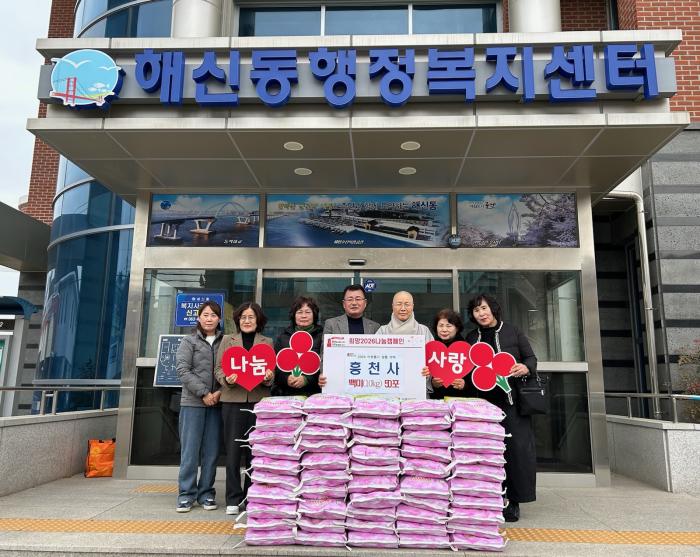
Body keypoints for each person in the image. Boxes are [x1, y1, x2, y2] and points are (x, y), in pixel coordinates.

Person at [464, 293, 537, 523]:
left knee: (514, 452)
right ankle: (489, 498)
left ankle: (513, 501)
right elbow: (466, 371)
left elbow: (531, 358)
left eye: (484, 308)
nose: (481, 313)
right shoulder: (471, 337)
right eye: (476, 310)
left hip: (511, 403)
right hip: (482, 406)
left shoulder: (512, 331)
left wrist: (526, 368)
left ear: (493, 309)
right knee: (486, 453)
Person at [214, 302, 274, 516]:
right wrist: (226, 380)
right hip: (232, 401)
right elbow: (218, 368)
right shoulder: (227, 341)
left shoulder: (267, 342)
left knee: (255, 451)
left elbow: (271, 371)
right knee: (232, 451)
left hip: (258, 402)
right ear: (238, 320)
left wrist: (268, 378)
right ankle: (232, 497)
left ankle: (251, 496)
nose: (247, 321)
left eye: (251, 317)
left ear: (258, 320)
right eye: (243, 317)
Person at [175, 301, 223, 513]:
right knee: (190, 451)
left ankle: (206, 493)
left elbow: (229, 368)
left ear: (219, 319)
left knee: (211, 452)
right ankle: (186, 494)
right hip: (193, 402)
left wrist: (219, 393)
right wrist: (204, 393)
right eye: (205, 314)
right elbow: (183, 370)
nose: (209, 318)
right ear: (198, 318)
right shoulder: (189, 340)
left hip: (217, 403)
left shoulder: (226, 341)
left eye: (213, 315)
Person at [376, 291, 434, 393]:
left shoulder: (423, 331)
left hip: (417, 389)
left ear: (413, 306)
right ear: (392, 306)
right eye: (399, 304)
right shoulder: (382, 331)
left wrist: (429, 371)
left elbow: (433, 360)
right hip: (388, 389)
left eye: (407, 304)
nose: (403, 308)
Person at [273, 296, 324, 396]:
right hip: (286, 394)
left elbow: (326, 366)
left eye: (308, 312)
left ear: (314, 315)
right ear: (294, 315)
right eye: (300, 312)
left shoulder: (322, 337)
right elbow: (275, 366)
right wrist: (286, 378)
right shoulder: (283, 337)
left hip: (314, 395)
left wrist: (307, 379)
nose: (303, 316)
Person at [428, 308, 468, 398]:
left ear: (457, 328)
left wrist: (464, 385)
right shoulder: (431, 347)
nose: (444, 329)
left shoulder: (466, 348)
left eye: (449, 326)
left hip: (460, 401)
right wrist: (432, 383)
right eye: (441, 326)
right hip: (436, 401)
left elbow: (473, 379)